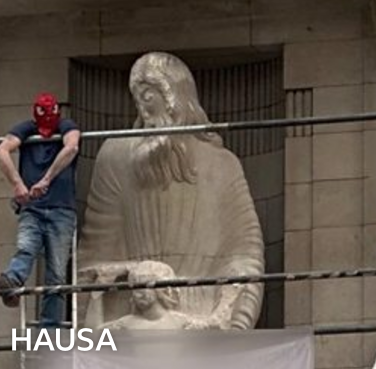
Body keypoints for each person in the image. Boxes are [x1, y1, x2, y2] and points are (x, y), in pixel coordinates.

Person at [78, 52, 265, 331]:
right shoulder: (115, 156)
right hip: (133, 321)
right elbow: (96, 250)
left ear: (173, 96)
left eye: (148, 96)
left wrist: (234, 324)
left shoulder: (223, 165)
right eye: (137, 99)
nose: (143, 109)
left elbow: (245, 253)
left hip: (201, 321)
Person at [0, 92, 81, 329]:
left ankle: (50, 327)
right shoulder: (26, 129)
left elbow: (71, 147)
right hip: (33, 207)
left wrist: (46, 179)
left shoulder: (67, 126)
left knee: (57, 271)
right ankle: (12, 281)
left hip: (61, 209)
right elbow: (1, 151)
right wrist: (17, 184)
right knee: (26, 248)